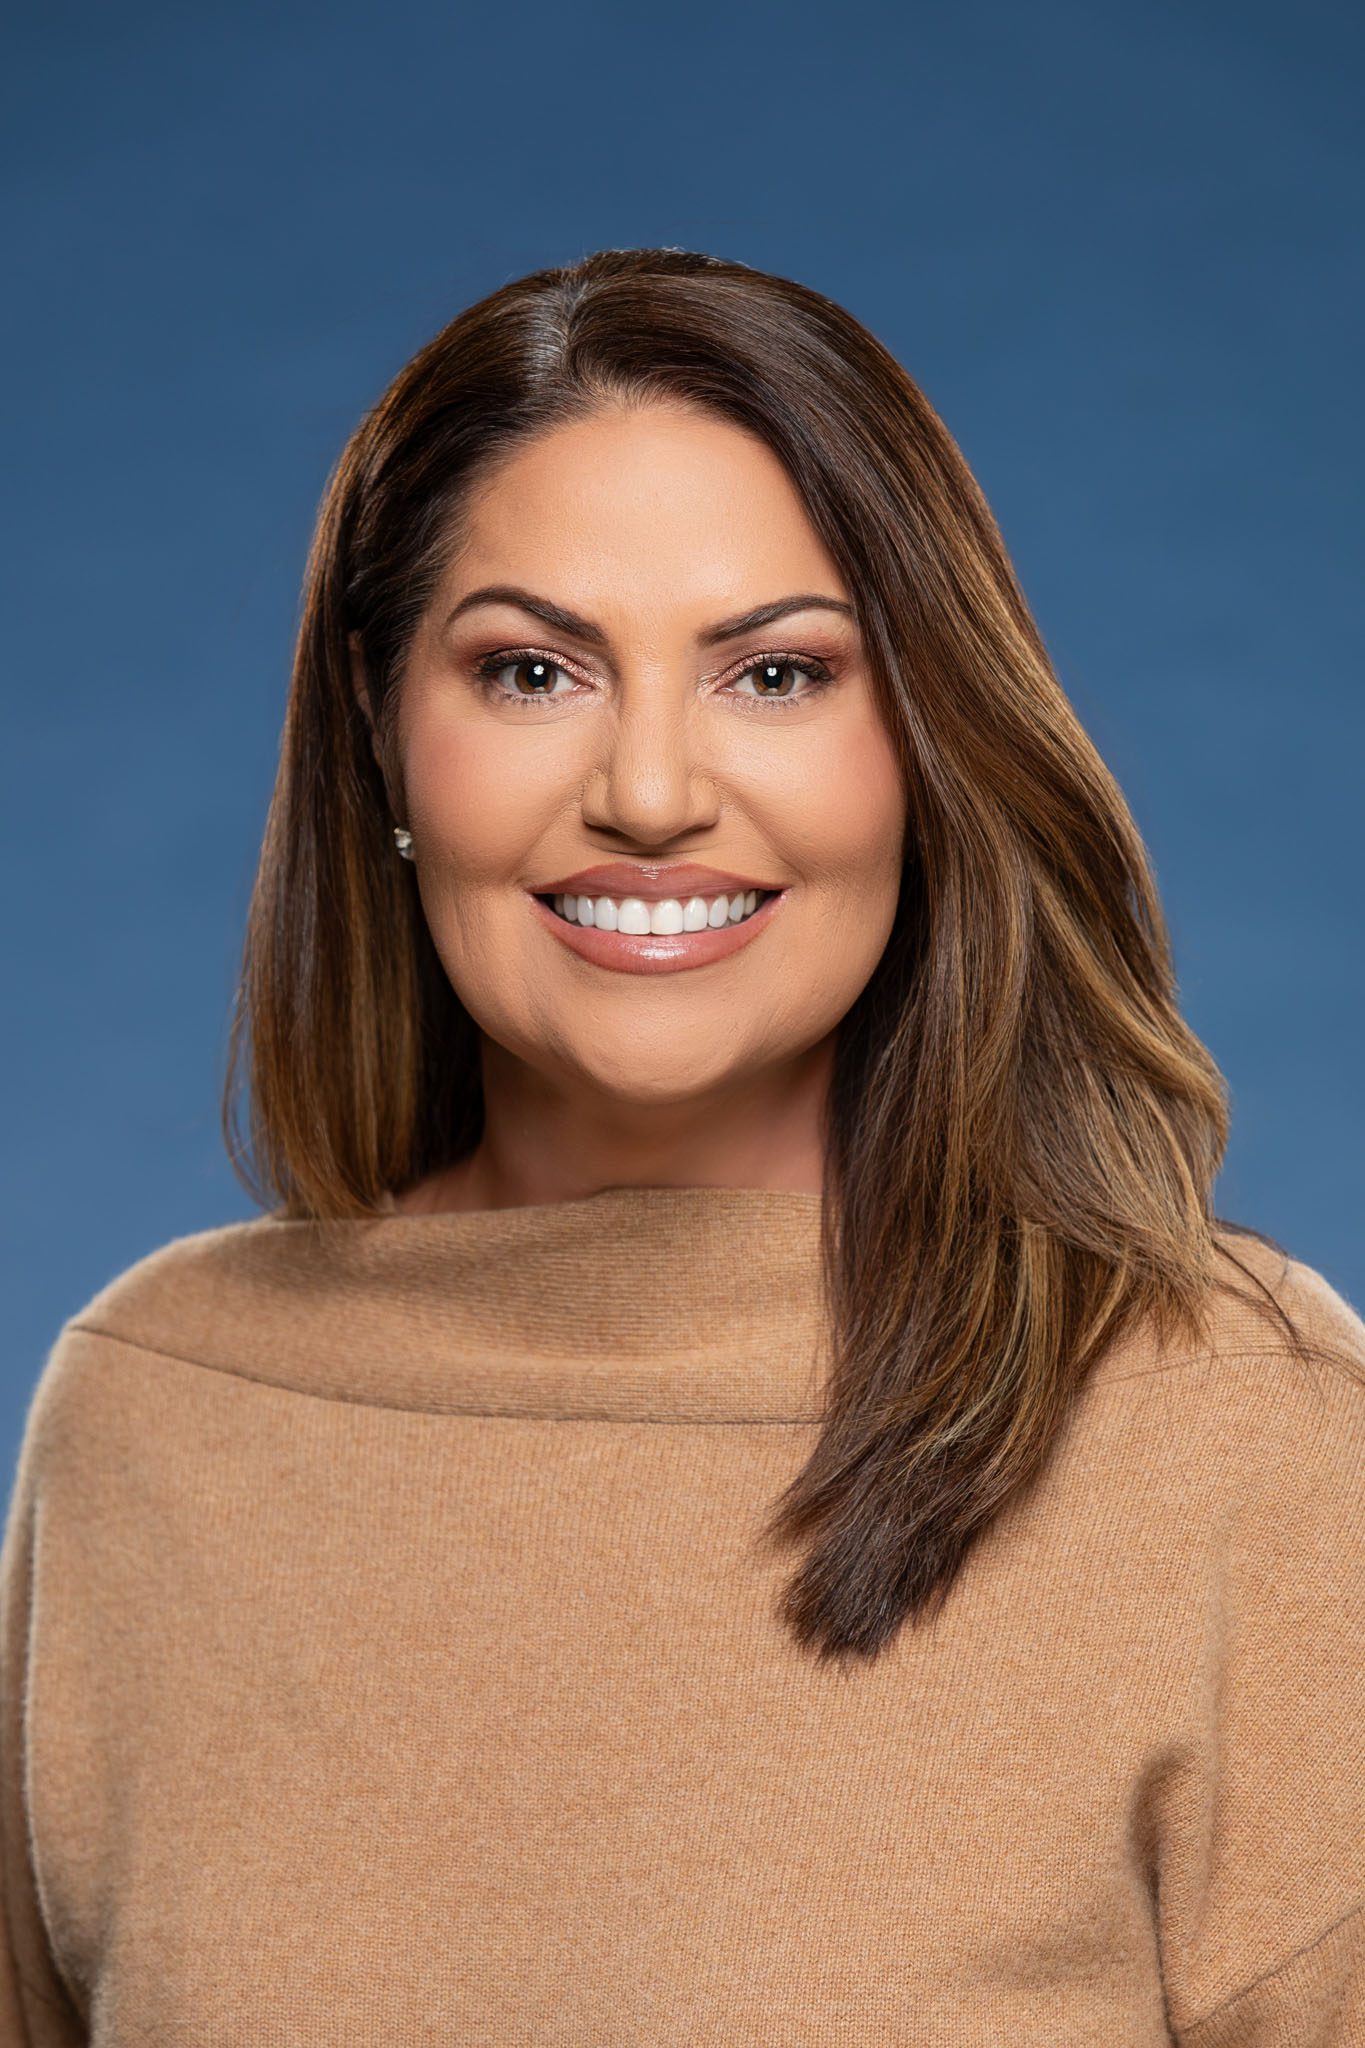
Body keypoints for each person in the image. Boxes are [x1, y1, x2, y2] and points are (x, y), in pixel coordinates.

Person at [2, 247, 1361, 2045]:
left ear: (927, 733)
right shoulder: (156, 1416)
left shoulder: (1237, 1431)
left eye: (778, 676)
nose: (649, 792)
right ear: (376, 721)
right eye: (533, 671)